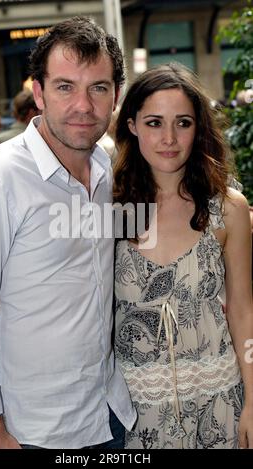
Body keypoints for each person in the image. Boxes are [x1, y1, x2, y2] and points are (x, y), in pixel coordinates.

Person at [0, 16, 136, 449]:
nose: (84, 106)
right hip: (33, 430)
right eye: (65, 86)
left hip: (110, 412)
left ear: (115, 96)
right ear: (39, 93)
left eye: (98, 88)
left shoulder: (108, 170)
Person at [113, 63, 253, 449]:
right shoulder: (109, 209)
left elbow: (243, 310)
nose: (169, 138)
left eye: (183, 123)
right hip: (134, 415)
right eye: (155, 122)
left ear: (199, 129)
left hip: (221, 402)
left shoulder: (228, 209)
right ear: (132, 125)